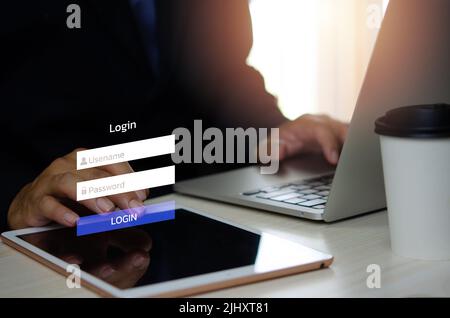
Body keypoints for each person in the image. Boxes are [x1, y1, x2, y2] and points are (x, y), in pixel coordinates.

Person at [1, 0, 347, 231]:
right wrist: (16, 197)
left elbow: (223, 70)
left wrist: (275, 131)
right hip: (63, 234)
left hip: (210, 227)